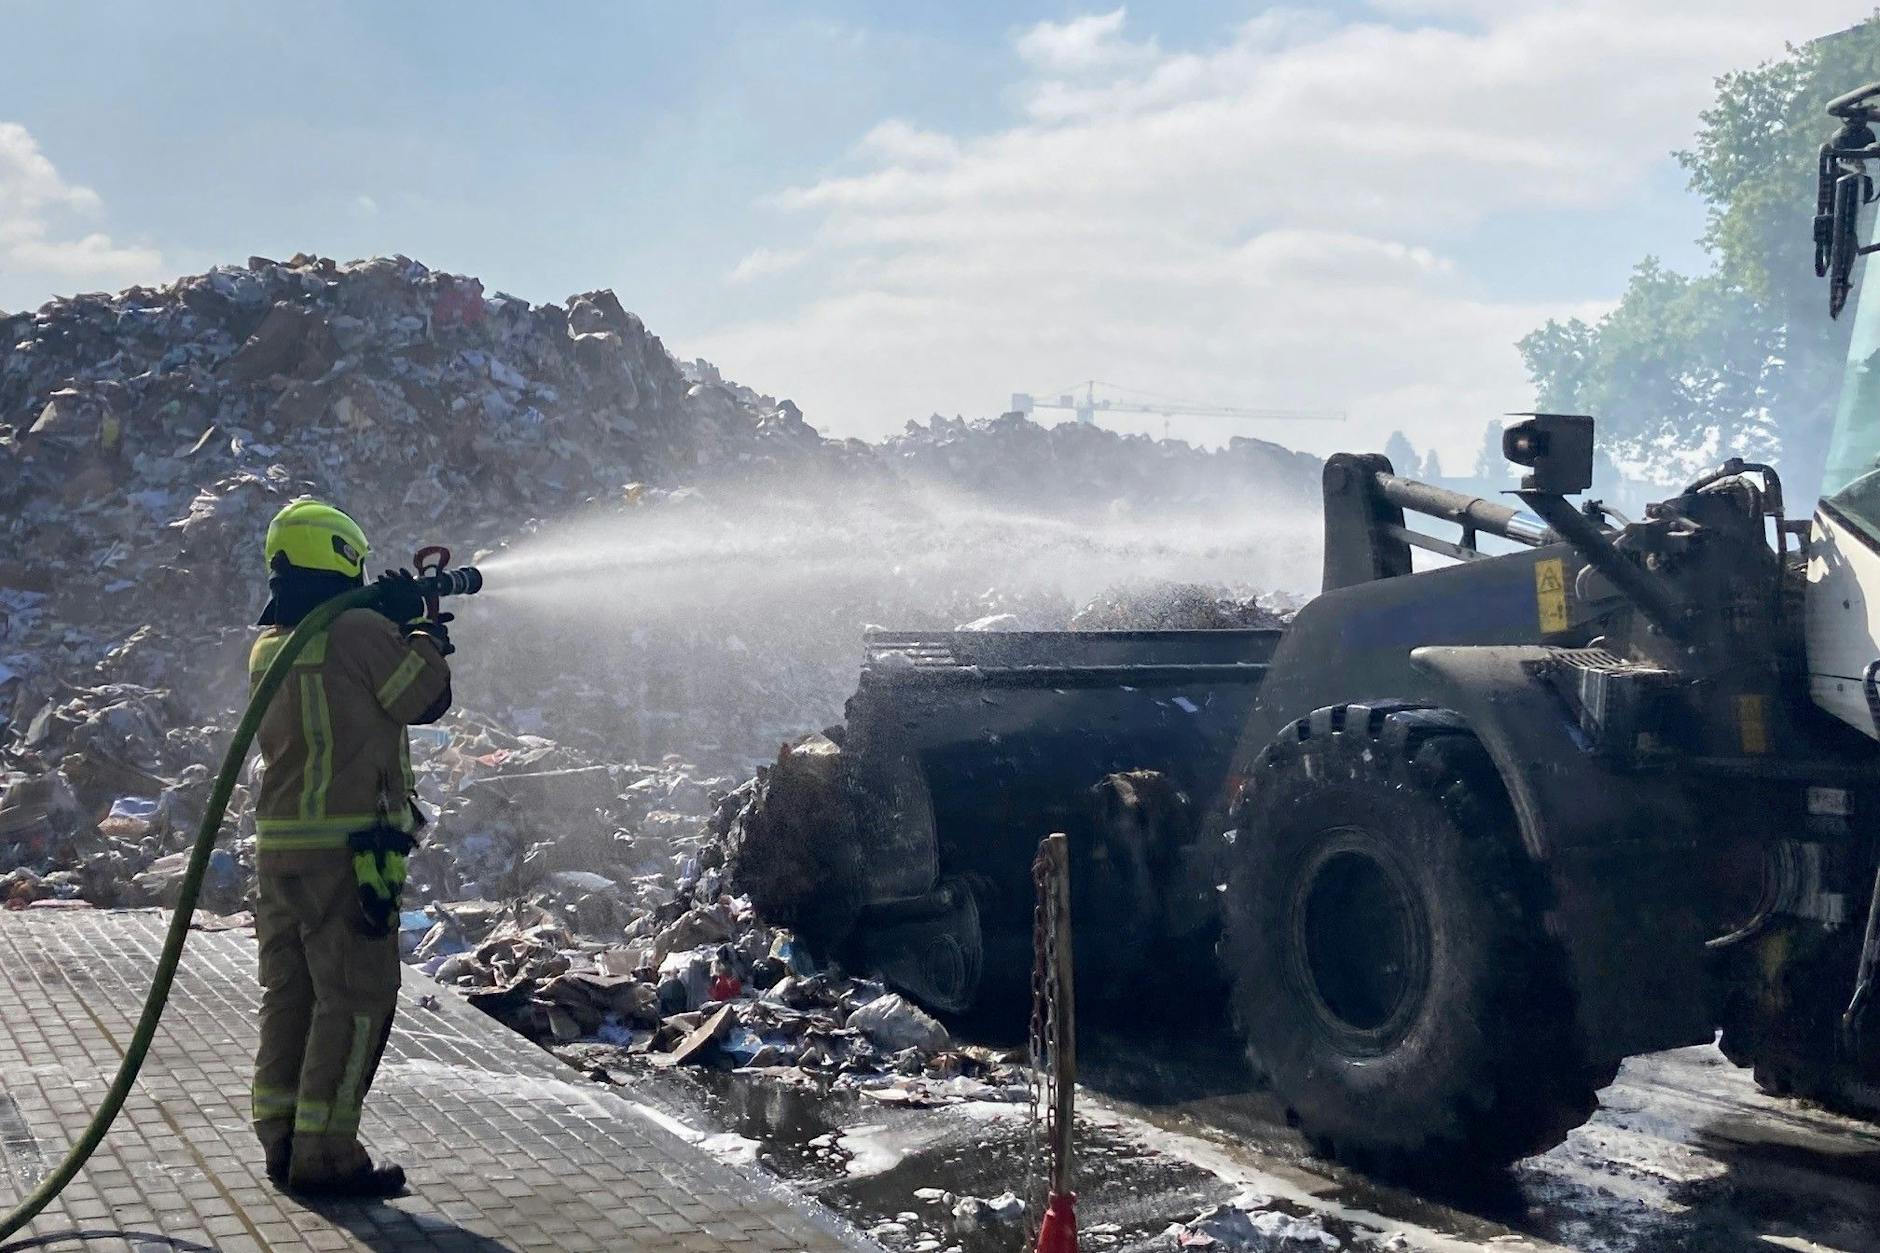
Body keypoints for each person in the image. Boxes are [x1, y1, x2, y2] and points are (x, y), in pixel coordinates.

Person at [246, 499, 453, 1197]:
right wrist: (421, 627)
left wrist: (396, 620)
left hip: (279, 851)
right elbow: (424, 697)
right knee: (358, 996)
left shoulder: (270, 645)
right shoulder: (358, 630)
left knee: (291, 994)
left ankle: (281, 1137)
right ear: (340, 554)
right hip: (348, 850)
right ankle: (328, 1152)